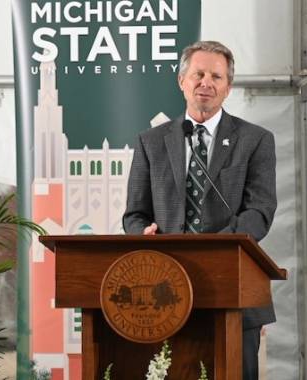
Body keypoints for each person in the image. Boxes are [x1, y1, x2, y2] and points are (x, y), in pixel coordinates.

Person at [123, 40, 277, 380]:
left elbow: (260, 210)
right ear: (182, 81)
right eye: (199, 74)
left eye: (216, 76)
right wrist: (142, 233)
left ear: (228, 87)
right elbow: (134, 214)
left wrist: (215, 248)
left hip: (234, 286)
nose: (206, 82)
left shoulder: (256, 140)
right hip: (163, 290)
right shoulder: (151, 141)